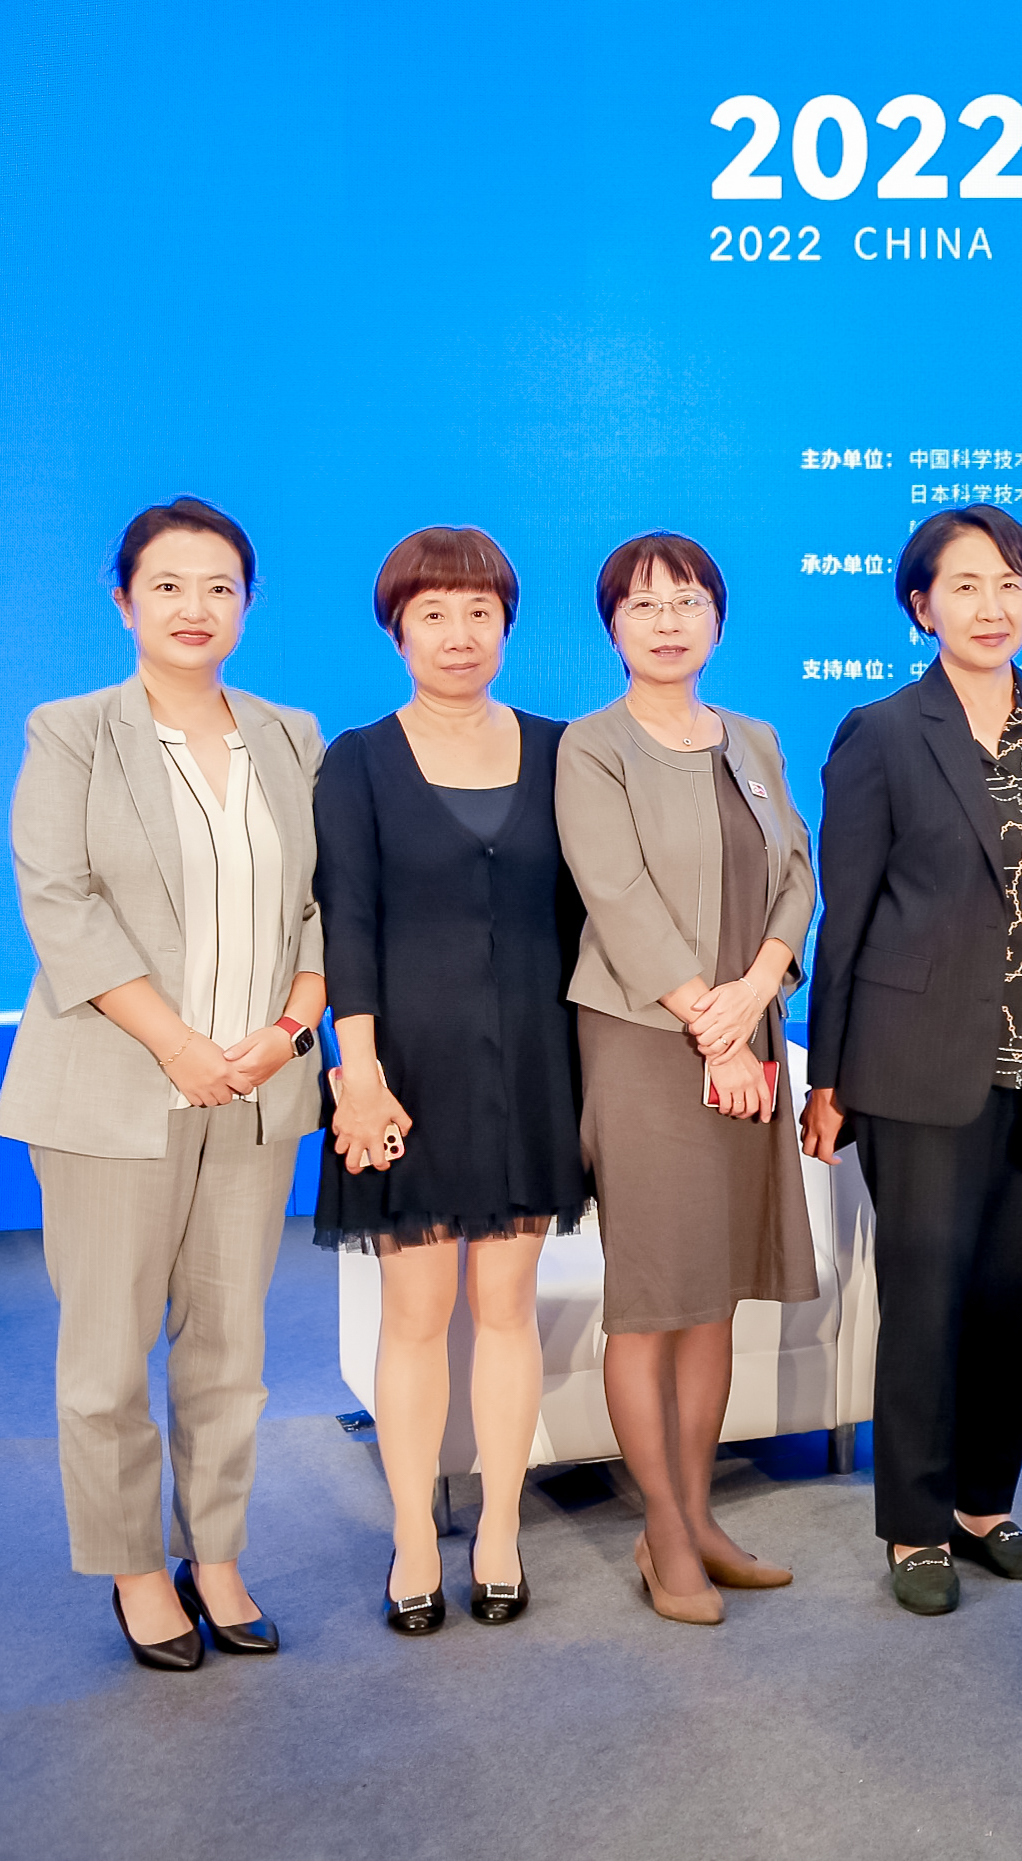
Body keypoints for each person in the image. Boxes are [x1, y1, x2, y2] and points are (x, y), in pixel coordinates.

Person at [0, 498, 326, 1670]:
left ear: (248, 603)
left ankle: (216, 1553)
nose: (196, 608)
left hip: (258, 1090)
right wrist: (180, 1045)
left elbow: (325, 904)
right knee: (107, 1357)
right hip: (114, 1091)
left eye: (220, 586)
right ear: (124, 599)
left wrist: (289, 1030)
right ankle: (136, 1568)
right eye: (170, 585)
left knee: (230, 1351)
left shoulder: (291, 734)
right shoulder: (72, 730)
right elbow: (61, 903)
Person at [802, 506, 1022, 1617]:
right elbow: (846, 914)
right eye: (965, 585)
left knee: (1019, 1295)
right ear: (920, 605)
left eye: (1010, 582)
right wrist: (826, 1075)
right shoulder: (881, 731)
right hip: (915, 1060)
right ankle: (914, 1522)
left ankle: (984, 1504)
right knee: (928, 1294)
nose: (991, 605)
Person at [314, 525, 587, 1634]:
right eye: (433, 613)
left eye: (480, 612)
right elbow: (347, 923)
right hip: (404, 1074)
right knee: (417, 1313)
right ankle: (416, 1536)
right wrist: (358, 1074)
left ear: (507, 626)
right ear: (397, 630)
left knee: (508, 1307)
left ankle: (504, 1528)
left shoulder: (564, 751)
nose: (459, 633)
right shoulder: (358, 760)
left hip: (533, 1066)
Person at [555, 531, 819, 1627]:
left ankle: (700, 1516)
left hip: (743, 1028)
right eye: (644, 604)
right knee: (655, 1298)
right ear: (612, 625)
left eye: (688, 601)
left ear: (718, 618)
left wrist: (755, 993)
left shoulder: (753, 737)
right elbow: (614, 894)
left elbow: (796, 872)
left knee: (713, 1294)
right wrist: (710, 1027)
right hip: (643, 1039)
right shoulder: (592, 745)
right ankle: (662, 1534)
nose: (668, 622)